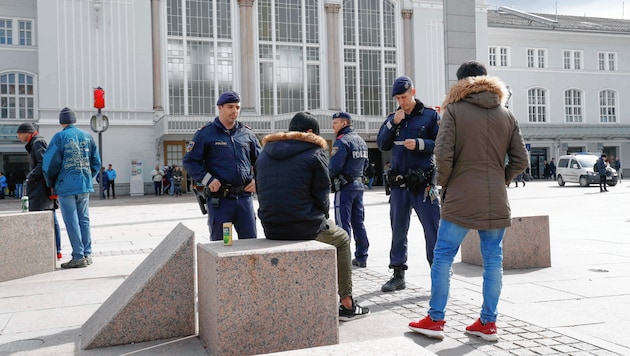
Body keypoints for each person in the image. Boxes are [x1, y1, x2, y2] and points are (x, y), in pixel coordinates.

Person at [408, 60, 528, 341]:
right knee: (493, 260)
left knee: (443, 256)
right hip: (495, 196)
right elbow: (521, 159)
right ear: (487, 80)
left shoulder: (453, 110)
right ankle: (488, 323)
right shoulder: (506, 114)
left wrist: (445, 183)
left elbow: (443, 153)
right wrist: (502, 178)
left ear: (460, 82)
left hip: (461, 195)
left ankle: (435, 320)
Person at [255, 111, 370, 321]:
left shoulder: (264, 153)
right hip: (303, 226)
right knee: (342, 239)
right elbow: (322, 197)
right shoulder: (314, 153)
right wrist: (322, 217)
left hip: (271, 227)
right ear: (309, 133)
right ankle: (347, 304)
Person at [376, 75, 441, 292]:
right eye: (398, 98)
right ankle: (397, 274)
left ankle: (439, 273)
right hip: (400, 185)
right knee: (398, 230)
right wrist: (393, 123)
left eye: (404, 97)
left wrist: (421, 144)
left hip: (424, 185)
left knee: (433, 229)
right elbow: (381, 143)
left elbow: (442, 144)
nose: (401, 102)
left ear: (413, 92)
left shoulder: (431, 116)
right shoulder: (394, 118)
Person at [183, 90, 261, 241]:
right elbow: (190, 161)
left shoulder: (247, 134)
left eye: (237, 107)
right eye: (230, 107)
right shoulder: (206, 134)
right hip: (221, 202)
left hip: (244, 200)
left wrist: (257, 180)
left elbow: (262, 162)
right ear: (220, 107)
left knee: (250, 242)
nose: (235, 111)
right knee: (224, 243)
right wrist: (208, 179)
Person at [43, 107, 101, 268]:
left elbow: (49, 164)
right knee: (84, 219)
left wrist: (51, 182)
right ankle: (87, 253)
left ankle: (78, 256)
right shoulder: (87, 136)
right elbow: (96, 162)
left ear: (61, 121)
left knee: (71, 220)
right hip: (84, 184)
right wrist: (88, 175)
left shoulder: (60, 137)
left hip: (66, 184)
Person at [328, 112, 370, 268]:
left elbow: (334, 167)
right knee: (358, 222)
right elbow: (366, 165)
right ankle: (362, 256)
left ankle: (343, 258)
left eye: (335, 123)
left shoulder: (341, 142)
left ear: (344, 124)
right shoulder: (361, 141)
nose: (333, 126)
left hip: (344, 187)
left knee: (342, 223)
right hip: (358, 186)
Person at [16, 123, 64, 260]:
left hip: (41, 190)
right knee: (50, 217)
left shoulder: (38, 142)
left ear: (28, 132)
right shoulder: (35, 143)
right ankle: (55, 251)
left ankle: (54, 251)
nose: (18, 136)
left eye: (20, 133)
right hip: (41, 189)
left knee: (47, 218)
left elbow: (43, 163)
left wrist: (30, 176)